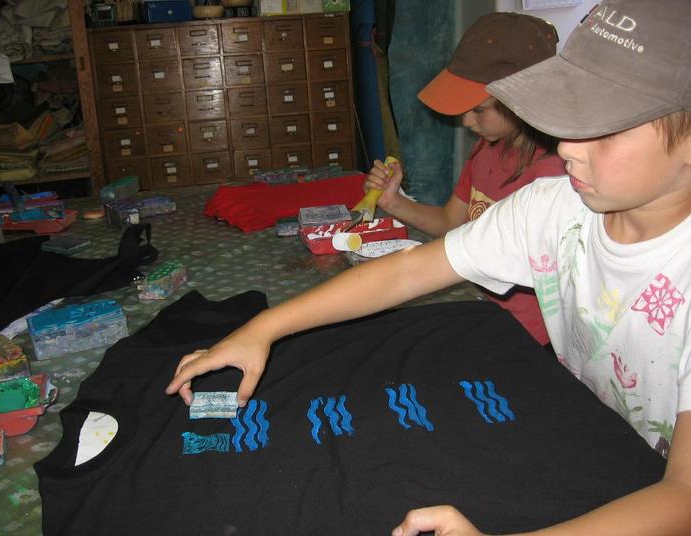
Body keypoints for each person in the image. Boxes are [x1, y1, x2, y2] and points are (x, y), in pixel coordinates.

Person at [167, 0, 691, 534]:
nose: (568, 145)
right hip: (596, 442)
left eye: (607, 130)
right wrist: (263, 327)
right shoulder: (550, 208)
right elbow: (408, 271)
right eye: (569, 115)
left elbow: (683, 496)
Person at [365, 12, 566, 347]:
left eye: (478, 109)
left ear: (521, 101)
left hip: (531, 339)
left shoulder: (555, 175)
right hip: (484, 312)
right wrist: (393, 202)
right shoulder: (486, 150)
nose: (466, 120)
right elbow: (451, 222)